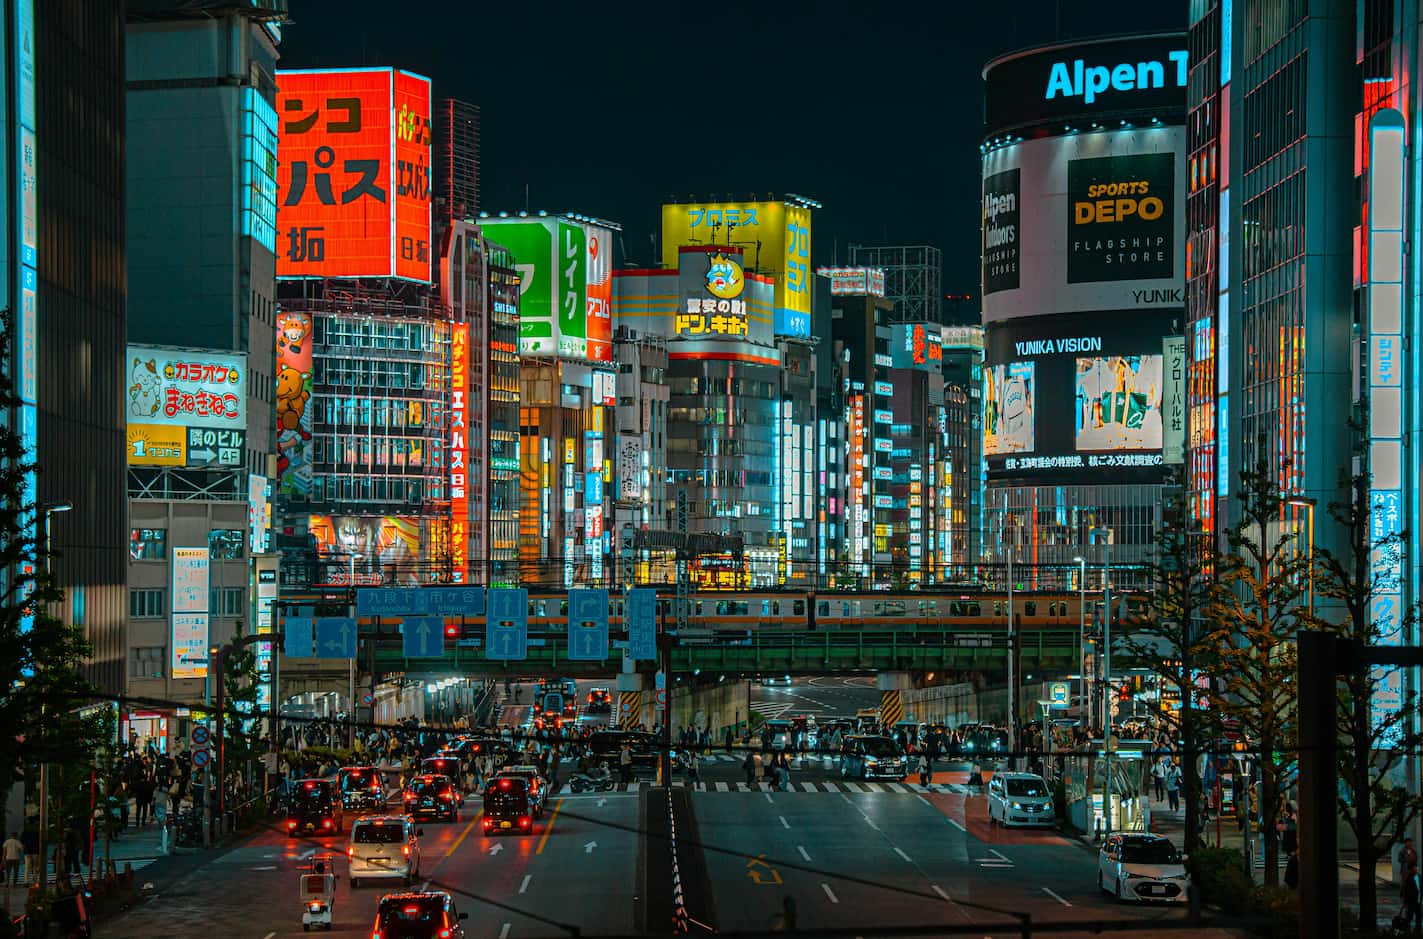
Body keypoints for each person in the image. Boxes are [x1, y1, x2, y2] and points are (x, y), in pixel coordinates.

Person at [1404, 861, 1422, 932]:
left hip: (1418, 900)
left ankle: (1418, 930)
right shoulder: (1409, 878)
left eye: (1416, 867)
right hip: (1411, 901)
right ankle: (1406, 929)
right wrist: (1406, 903)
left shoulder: (1420, 877)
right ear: (1411, 869)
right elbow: (1406, 891)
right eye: (1414, 867)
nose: (1416, 868)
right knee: (1409, 916)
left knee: (1419, 915)